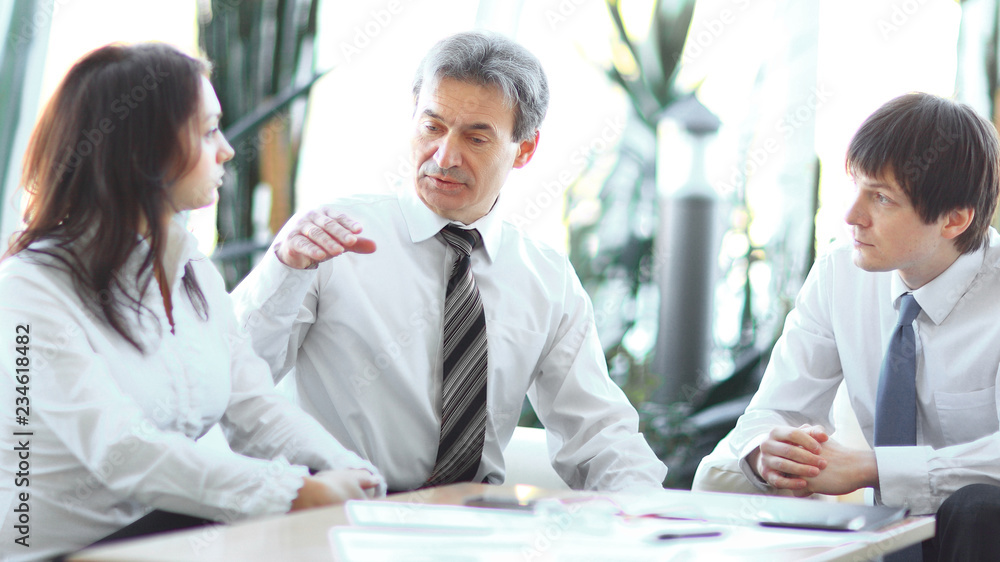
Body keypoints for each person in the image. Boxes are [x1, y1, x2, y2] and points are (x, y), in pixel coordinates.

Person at [231, 31, 667, 493]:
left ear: (525, 150)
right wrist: (284, 268)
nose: (444, 157)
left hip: (475, 529)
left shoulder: (546, 279)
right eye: (432, 127)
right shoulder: (329, 239)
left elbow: (599, 434)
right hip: (340, 516)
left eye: (476, 138)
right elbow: (232, 373)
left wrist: (654, 519)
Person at [0, 43, 384, 562]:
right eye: (207, 131)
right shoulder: (28, 288)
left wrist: (349, 469)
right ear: (145, 150)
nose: (226, 149)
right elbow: (119, 451)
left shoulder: (192, 271)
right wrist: (293, 491)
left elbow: (255, 409)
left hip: (164, 536)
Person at [693, 92, 1000, 560]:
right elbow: (775, 411)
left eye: (881, 197)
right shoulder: (840, 273)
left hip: (978, 532)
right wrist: (767, 449)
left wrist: (875, 467)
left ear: (954, 219)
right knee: (727, 472)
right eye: (855, 186)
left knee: (980, 509)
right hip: (882, 532)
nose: (851, 216)